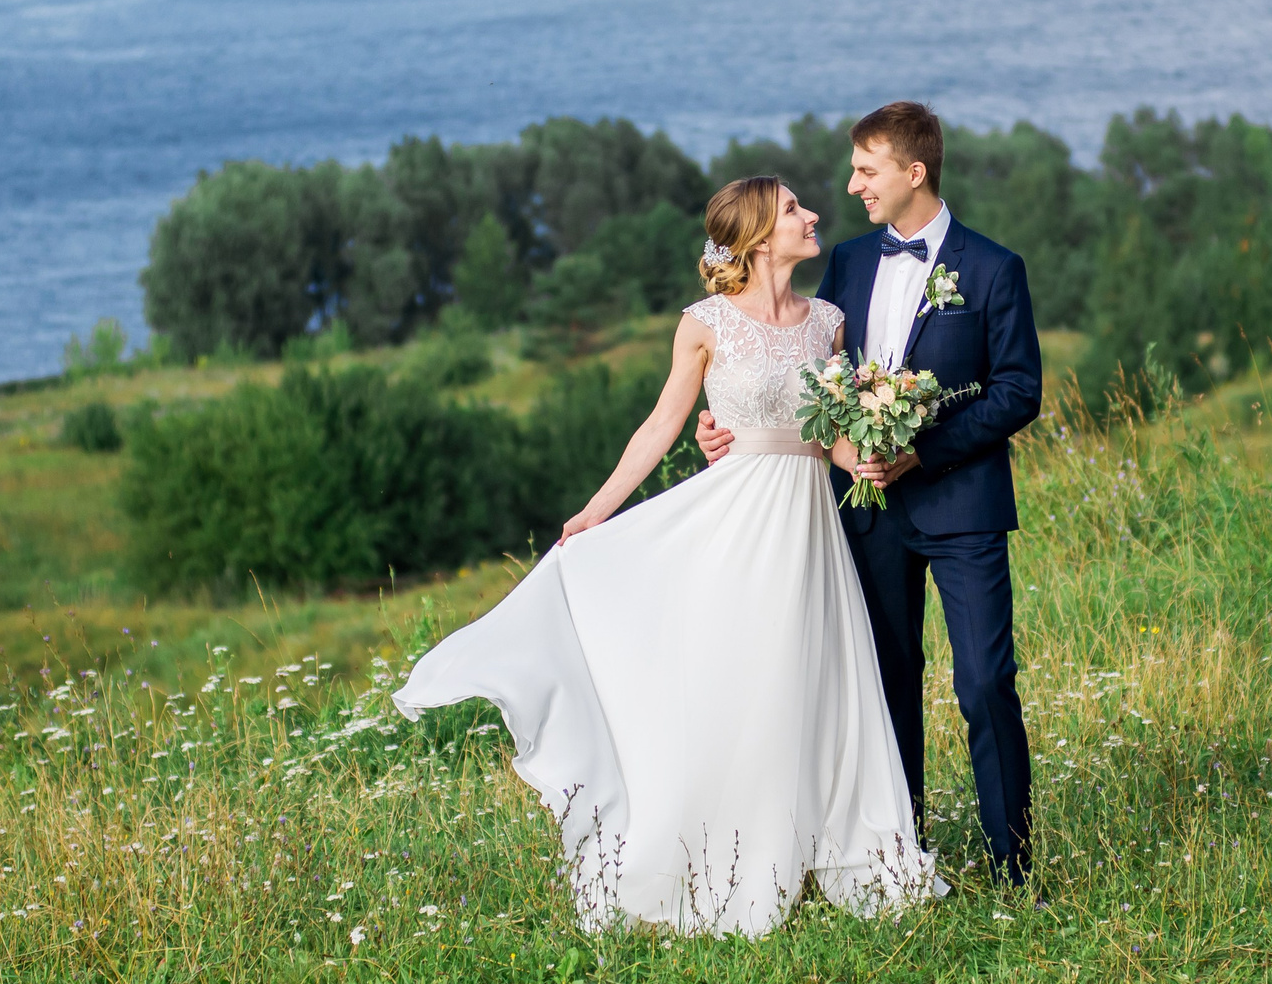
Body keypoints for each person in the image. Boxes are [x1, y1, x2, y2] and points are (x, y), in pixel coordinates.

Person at [394, 177, 938, 937]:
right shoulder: (704, 323)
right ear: (754, 236)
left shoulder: (828, 323)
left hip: (809, 528)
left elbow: (825, 435)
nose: (812, 216)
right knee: (742, 681)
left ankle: (811, 851)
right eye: (792, 210)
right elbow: (661, 423)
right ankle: (727, 857)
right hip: (735, 524)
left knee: (809, 683)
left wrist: (871, 459)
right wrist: (595, 510)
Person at [698, 103, 1043, 887]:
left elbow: (1020, 389)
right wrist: (723, 425)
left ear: (912, 173)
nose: (852, 185)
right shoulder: (849, 263)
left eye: (866, 170)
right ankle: (899, 857)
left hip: (963, 508)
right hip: (864, 513)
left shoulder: (994, 268)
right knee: (885, 682)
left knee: (985, 682)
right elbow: (802, 364)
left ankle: (1015, 867)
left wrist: (922, 449)